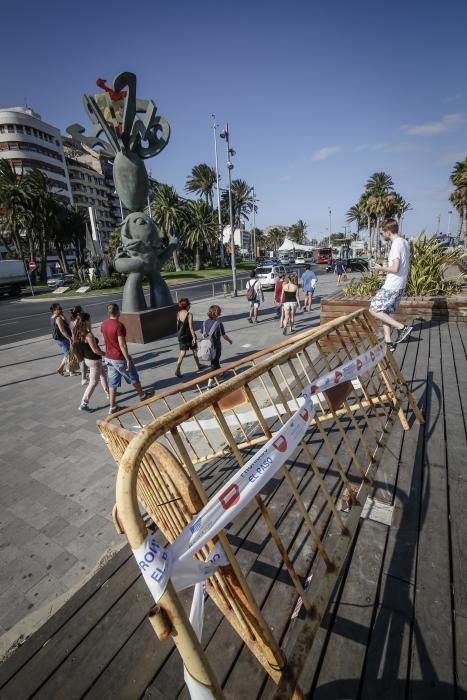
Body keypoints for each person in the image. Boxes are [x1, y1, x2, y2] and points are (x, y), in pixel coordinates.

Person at [101, 303, 154, 414]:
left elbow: (104, 340)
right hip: (119, 358)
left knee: (112, 383)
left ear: (108, 313)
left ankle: (113, 406)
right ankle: (142, 395)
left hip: (109, 358)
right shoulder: (119, 325)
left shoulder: (104, 324)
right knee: (133, 376)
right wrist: (127, 359)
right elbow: (122, 344)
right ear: (118, 312)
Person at [369, 219, 413, 351]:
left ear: (388, 231)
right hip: (400, 284)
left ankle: (402, 327)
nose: (382, 236)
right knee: (384, 312)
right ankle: (388, 342)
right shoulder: (404, 242)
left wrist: (380, 268)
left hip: (392, 285)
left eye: (382, 233)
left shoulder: (395, 245)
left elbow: (395, 268)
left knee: (373, 309)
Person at [72, 312, 109, 412]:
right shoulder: (88, 335)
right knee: (93, 383)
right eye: (90, 320)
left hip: (87, 359)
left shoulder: (77, 332)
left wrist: (89, 329)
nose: (91, 321)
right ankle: (83, 404)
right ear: (86, 321)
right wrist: (107, 354)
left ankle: (108, 393)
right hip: (94, 361)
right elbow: (95, 350)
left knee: (103, 375)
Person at [203, 305, 233, 389]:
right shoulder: (219, 324)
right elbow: (224, 335)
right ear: (217, 313)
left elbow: (203, 333)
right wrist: (230, 341)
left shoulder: (204, 322)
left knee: (215, 362)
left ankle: (221, 374)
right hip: (216, 347)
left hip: (206, 347)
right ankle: (209, 384)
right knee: (214, 365)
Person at [175, 298, 205, 377]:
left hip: (181, 336)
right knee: (194, 351)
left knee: (182, 353)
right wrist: (194, 337)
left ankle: (177, 370)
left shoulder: (178, 313)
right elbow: (191, 327)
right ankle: (198, 365)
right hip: (189, 336)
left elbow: (178, 325)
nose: (190, 305)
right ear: (187, 305)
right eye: (189, 304)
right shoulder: (189, 314)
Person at [50, 303, 72, 376]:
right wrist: (69, 338)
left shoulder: (53, 317)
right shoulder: (58, 318)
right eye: (59, 309)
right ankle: (71, 371)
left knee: (66, 354)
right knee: (68, 355)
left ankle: (60, 369)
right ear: (54, 310)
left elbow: (65, 322)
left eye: (61, 308)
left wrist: (62, 315)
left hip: (58, 339)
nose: (60, 310)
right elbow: (62, 330)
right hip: (63, 339)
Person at [69, 306, 88, 385]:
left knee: (80, 360)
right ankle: (83, 378)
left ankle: (72, 371)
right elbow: (84, 332)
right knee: (84, 360)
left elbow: (72, 333)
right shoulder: (80, 321)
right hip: (81, 342)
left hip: (74, 342)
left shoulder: (72, 321)